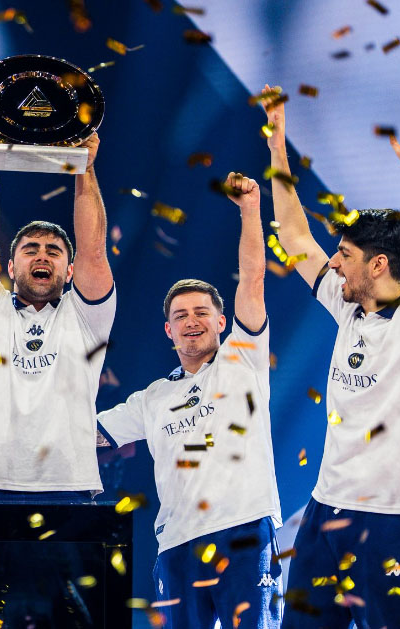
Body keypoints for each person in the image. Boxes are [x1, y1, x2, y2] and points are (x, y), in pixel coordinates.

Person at [264, 93, 400, 629]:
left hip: (394, 521)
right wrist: (278, 149)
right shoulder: (345, 303)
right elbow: (293, 236)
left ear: (378, 265)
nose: (332, 263)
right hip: (325, 510)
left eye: (345, 255)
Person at [96, 174, 282, 628]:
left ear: (222, 322)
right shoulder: (152, 398)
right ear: (169, 331)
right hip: (177, 543)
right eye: (180, 316)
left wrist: (249, 209)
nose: (191, 321)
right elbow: (88, 434)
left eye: (202, 312)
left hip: (245, 531)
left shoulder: (243, 359)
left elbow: (253, 279)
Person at [0, 129, 115, 503]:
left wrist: (85, 169)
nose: (42, 256)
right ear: (9, 266)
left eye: (54, 251)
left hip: (67, 484)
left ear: (70, 271)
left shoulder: (86, 316)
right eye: (30, 249)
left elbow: (93, 251)